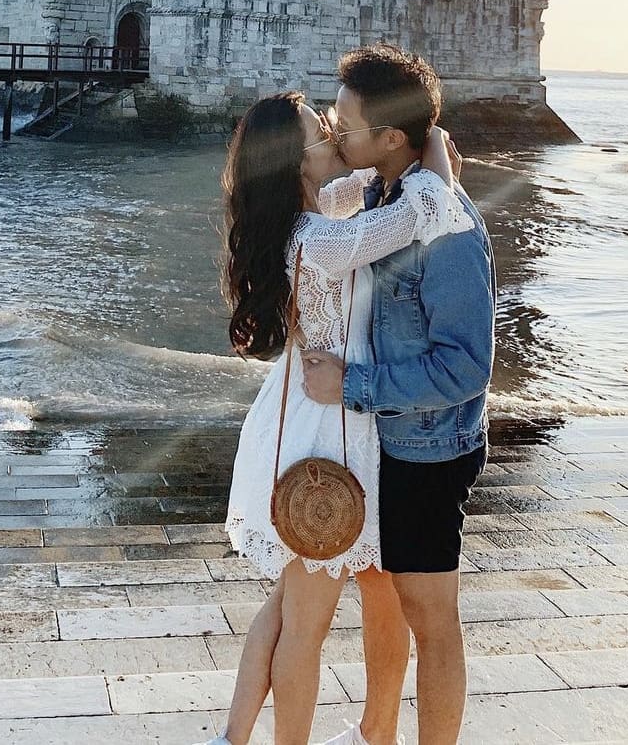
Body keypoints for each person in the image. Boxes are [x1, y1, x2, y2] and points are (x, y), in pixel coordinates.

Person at [202, 91, 471, 745]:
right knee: (307, 620)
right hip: (333, 440)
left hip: (330, 422)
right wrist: (431, 149)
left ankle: (259, 736)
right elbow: (420, 214)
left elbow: (367, 187)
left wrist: (394, 149)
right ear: (299, 163)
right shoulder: (318, 238)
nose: (331, 130)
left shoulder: (311, 216)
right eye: (320, 130)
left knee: (300, 604)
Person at [301, 46, 496, 745]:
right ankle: (374, 733)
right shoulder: (393, 197)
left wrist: (350, 385)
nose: (335, 129)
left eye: (346, 121)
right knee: (384, 602)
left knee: (430, 616)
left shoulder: (447, 225)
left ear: (389, 137)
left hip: (427, 451)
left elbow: (467, 366)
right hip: (386, 440)